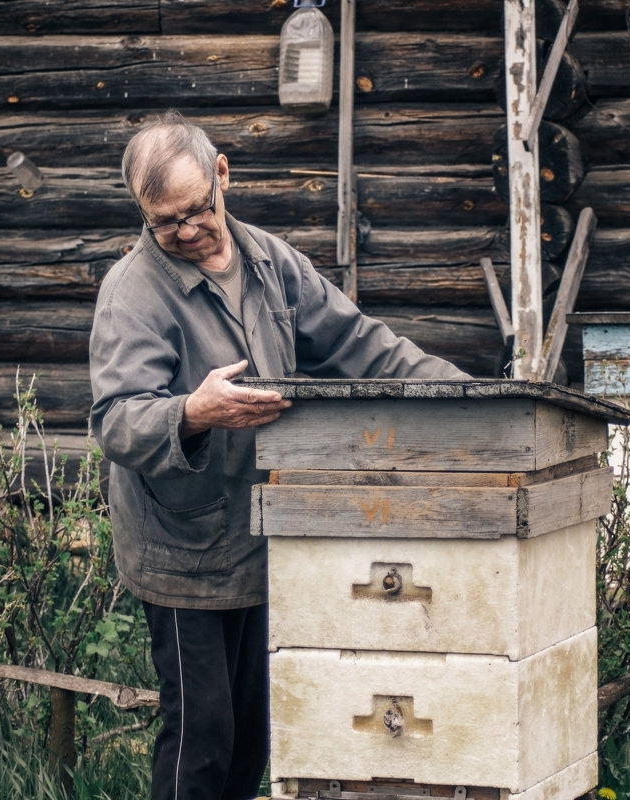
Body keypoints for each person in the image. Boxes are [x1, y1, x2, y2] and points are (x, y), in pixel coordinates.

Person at [88, 110, 468, 800]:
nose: (185, 230)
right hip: (181, 552)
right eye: (164, 221)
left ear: (223, 174)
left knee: (255, 736)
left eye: (197, 209)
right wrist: (190, 412)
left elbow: (364, 347)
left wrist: (474, 400)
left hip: (265, 539)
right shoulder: (132, 293)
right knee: (200, 737)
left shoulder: (271, 261)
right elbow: (116, 421)